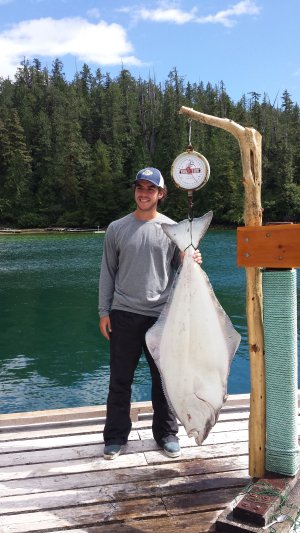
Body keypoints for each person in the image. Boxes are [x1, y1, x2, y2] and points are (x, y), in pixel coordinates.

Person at [99, 167, 202, 460]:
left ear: (160, 194)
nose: (143, 193)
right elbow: (107, 273)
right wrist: (103, 311)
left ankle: (167, 434)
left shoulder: (173, 229)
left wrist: (190, 258)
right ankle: (115, 437)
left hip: (163, 315)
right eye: (139, 188)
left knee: (164, 379)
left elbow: (182, 268)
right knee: (120, 379)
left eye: (150, 189)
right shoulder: (116, 228)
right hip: (124, 313)